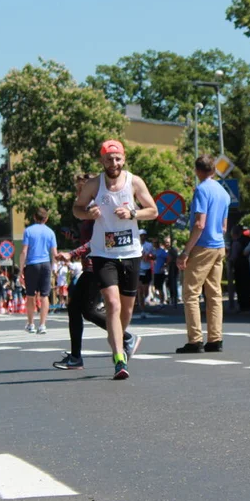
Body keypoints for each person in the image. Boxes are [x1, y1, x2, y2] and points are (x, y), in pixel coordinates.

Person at [73, 140, 156, 378]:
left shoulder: (134, 182)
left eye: (118, 158)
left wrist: (133, 213)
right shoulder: (93, 184)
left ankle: (122, 339)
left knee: (126, 310)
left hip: (130, 252)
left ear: (124, 159)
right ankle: (119, 359)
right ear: (102, 161)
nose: (114, 163)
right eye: (109, 159)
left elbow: (153, 210)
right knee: (112, 304)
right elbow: (76, 208)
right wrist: (88, 212)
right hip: (103, 253)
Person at [54, 176, 139, 370]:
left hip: (98, 265)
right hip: (92, 265)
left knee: (80, 308)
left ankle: (121, 339)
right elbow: (88, 238)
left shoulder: (97, 210)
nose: (79, 197)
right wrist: (73, 237)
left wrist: (72, 253)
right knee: (86, 310)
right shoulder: (88, 212)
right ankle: (121, 338)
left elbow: (99, 240)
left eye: (80, 192)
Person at [176, 154, 230, 353]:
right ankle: (215, 339)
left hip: (203, 246)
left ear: (198, 171)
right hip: (219, 246)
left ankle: (195, 340)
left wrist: (185, 252)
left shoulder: (201, 189)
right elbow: (224, 226)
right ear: (214, 170)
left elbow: (199, 223)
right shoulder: (223, 192)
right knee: (214, 294)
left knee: (190, 293)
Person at [19, 207, 58, 335]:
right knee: (44, 295)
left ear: (34, 217)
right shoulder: (50, 232)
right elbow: (54, 253)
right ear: (46, 218)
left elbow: (24, 251)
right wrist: (54, 268)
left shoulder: (28, 231)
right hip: (46, 264)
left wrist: (20, 270)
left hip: (32, 265)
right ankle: (42, 325)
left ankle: (31, 324)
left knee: (30, 295)